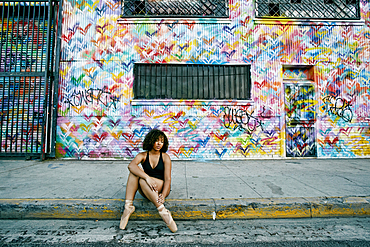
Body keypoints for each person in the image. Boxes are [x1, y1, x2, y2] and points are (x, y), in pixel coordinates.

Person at [119, 129, 177, 233]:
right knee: (135, 173)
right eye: (157, 140)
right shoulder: (143, 155)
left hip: (161, 187)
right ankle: (128, 207)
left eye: (162, 141)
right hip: (147, 187)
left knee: (140, 178)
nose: (159, 144)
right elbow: (131, 166)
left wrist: (163, 194)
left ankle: (162, 211)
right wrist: (147, 178)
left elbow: (168, 179)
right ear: (151, 141)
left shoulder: (165, 157)